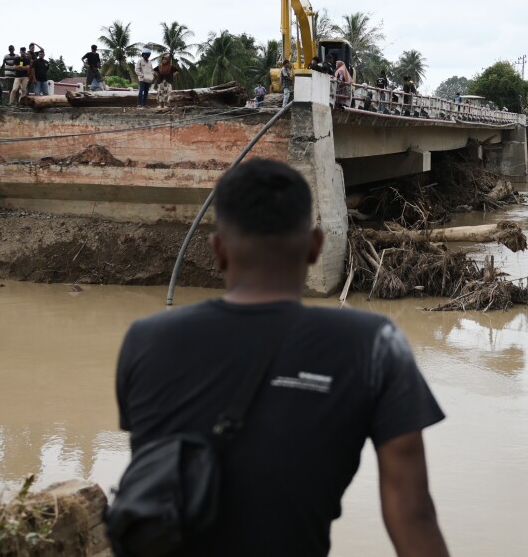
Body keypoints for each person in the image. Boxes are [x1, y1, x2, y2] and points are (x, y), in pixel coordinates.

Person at [115, 160, 450, 557]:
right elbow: (411, 515)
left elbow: (158, 480)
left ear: (219, 251)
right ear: (315, 247)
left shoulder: (145, 339)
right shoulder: (375, 345)